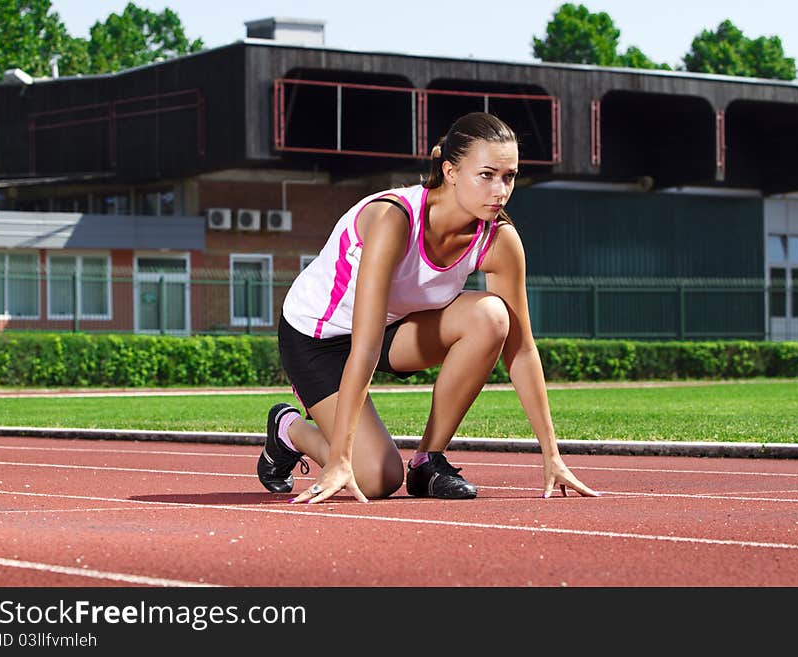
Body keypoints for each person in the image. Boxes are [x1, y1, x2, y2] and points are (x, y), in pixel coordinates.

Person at [257, 111, 600, 504]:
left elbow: (521, 349)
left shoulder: (499, 240)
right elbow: (364, 348)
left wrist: (552, 455)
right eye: (486, 175)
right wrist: (339, 458)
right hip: (317, 338)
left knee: (491, 316)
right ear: (451, 172)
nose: (500, 190)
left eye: (509, 177)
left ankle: (427, 461)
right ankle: (290, 431)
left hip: (394, 326)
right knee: (375, 479)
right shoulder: (394, 219)